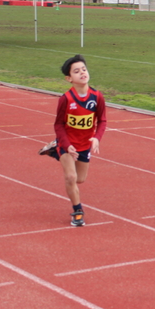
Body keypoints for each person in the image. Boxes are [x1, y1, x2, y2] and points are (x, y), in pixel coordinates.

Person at [38, 55, 107, 227]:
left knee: (80, 179)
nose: (82, 73)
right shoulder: (66, 99)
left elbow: (103, 121)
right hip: (67, 143)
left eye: (84, 69)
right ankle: (78, 211)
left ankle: (53, 151)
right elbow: (59, 124)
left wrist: (97, 138)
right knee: (70, 177)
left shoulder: (97, 97)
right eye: (76, 71)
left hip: (84, 145)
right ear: (69, 79)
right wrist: (67, 145)